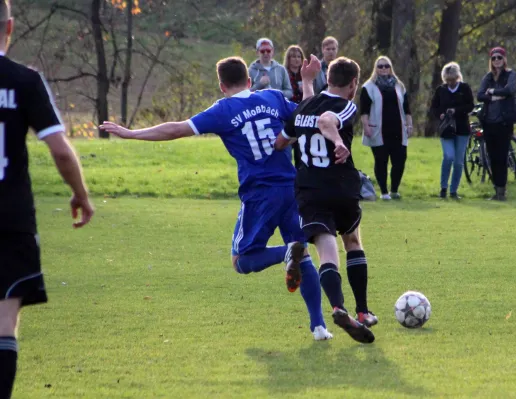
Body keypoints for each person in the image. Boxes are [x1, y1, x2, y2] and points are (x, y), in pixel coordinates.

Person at [100, 56, 333, 341]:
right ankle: (319, 326)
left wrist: (132, 133)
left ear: (222, 86)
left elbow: (176, 128)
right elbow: (307, 117)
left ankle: (285, 253)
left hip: (260, 194)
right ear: (249, 81)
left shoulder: (223, 110)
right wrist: (308, 82)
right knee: (304, 254)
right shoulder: (273, 97)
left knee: (241, 259)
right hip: (292, 189)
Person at [0, 1, 95, 397]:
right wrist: (80, 195)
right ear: (9, 27)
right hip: (10, 217)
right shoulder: (22, 80)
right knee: (4, 318)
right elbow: (58, 149)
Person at [274, 57, 377, 344]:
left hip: (310, 191)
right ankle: (363, 312)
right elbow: (326, 120)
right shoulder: (348, 105)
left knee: (328, 255)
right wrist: (339, 142)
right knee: (353, 242)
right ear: (353, 83)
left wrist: (306, 82)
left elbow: (281, 141)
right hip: (341, 187)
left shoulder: (302, 108)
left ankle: (337, 307)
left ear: (327, 79)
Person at [360, 56, 413, 200]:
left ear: (391, 68)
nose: (383, 69)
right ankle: (383, 192)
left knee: (400, 160)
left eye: (386, 66)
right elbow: (364, 110)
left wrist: (409, 124)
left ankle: (394, 190)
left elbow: (407, 108)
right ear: (375, 69)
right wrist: (366, 127)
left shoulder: (399, 86)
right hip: (378, 130)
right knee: (381, 160)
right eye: (380, 66)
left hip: (398, 129)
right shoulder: (368, 87)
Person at [477, 47, 516, 201]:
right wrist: (492, 97)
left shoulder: (511, 75)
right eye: (494, 58)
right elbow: (480, 95)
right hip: (489, 123)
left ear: (504, 59)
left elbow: (510, 90)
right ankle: (497, 190)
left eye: (499, 58)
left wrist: (493, 92)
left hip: (504, 122)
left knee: (502, 157)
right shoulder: (488, 77)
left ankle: (502, 191)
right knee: (492, 157)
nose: (496, 61)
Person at [430, 62, 474, 199]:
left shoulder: (465, 88)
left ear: (457, 77)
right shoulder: (440, 90)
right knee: (448, 156)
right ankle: (443, 187)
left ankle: (453, 190)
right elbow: (434, 107)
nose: (451, 83)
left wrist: (456, 111)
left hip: (462, 129)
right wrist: (441, 114)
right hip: (446, 130)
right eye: (448, 80)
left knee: (459, 162)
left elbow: (470, 106)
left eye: (453, 80)